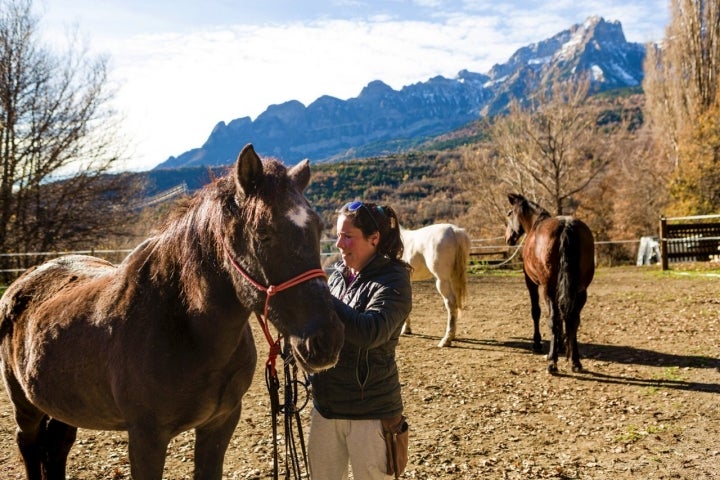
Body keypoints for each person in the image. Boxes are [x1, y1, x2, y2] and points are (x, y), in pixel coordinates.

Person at [308, 200, 412, 480]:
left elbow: (371, 332)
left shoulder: (394, 281)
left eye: (347, 236)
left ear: (374, 239)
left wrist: (320, 296)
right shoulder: (339, 277)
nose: (339, 244)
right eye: (338, 235)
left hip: (371, 413)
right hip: (326, 408)